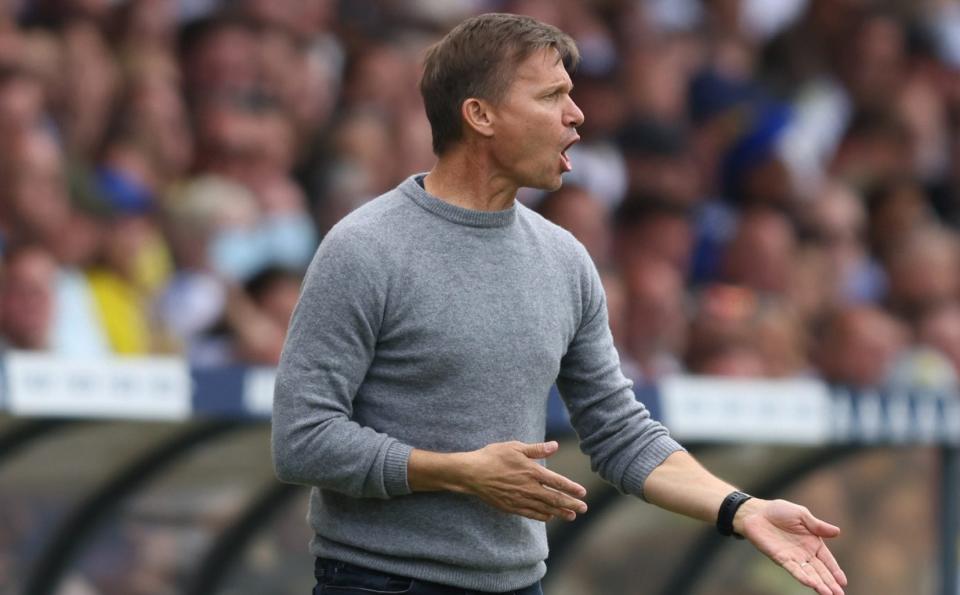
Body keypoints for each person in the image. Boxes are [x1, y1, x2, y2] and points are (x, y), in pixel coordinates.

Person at [272, 13, 847, 595]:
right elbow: (303, 439)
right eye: (552, 96)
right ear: (480, 115)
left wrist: (739, 509)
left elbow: (621, 432)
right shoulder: (364, 247)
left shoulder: (565, 260)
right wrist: (458, 473)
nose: (577, 115)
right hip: (379, 584)